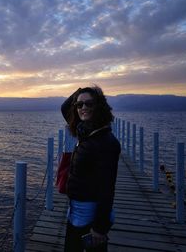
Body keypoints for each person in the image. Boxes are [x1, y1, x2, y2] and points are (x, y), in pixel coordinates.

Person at [61, 86, 120, 252]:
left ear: (99, 106)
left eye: (89, 104)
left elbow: (107, 189)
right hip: (75, 210)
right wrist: (82, 91)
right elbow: (65, 108)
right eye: (79, 105)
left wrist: (99, 228)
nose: (83, 108)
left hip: (89, 213)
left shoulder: (105, 142)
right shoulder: (85, 130)